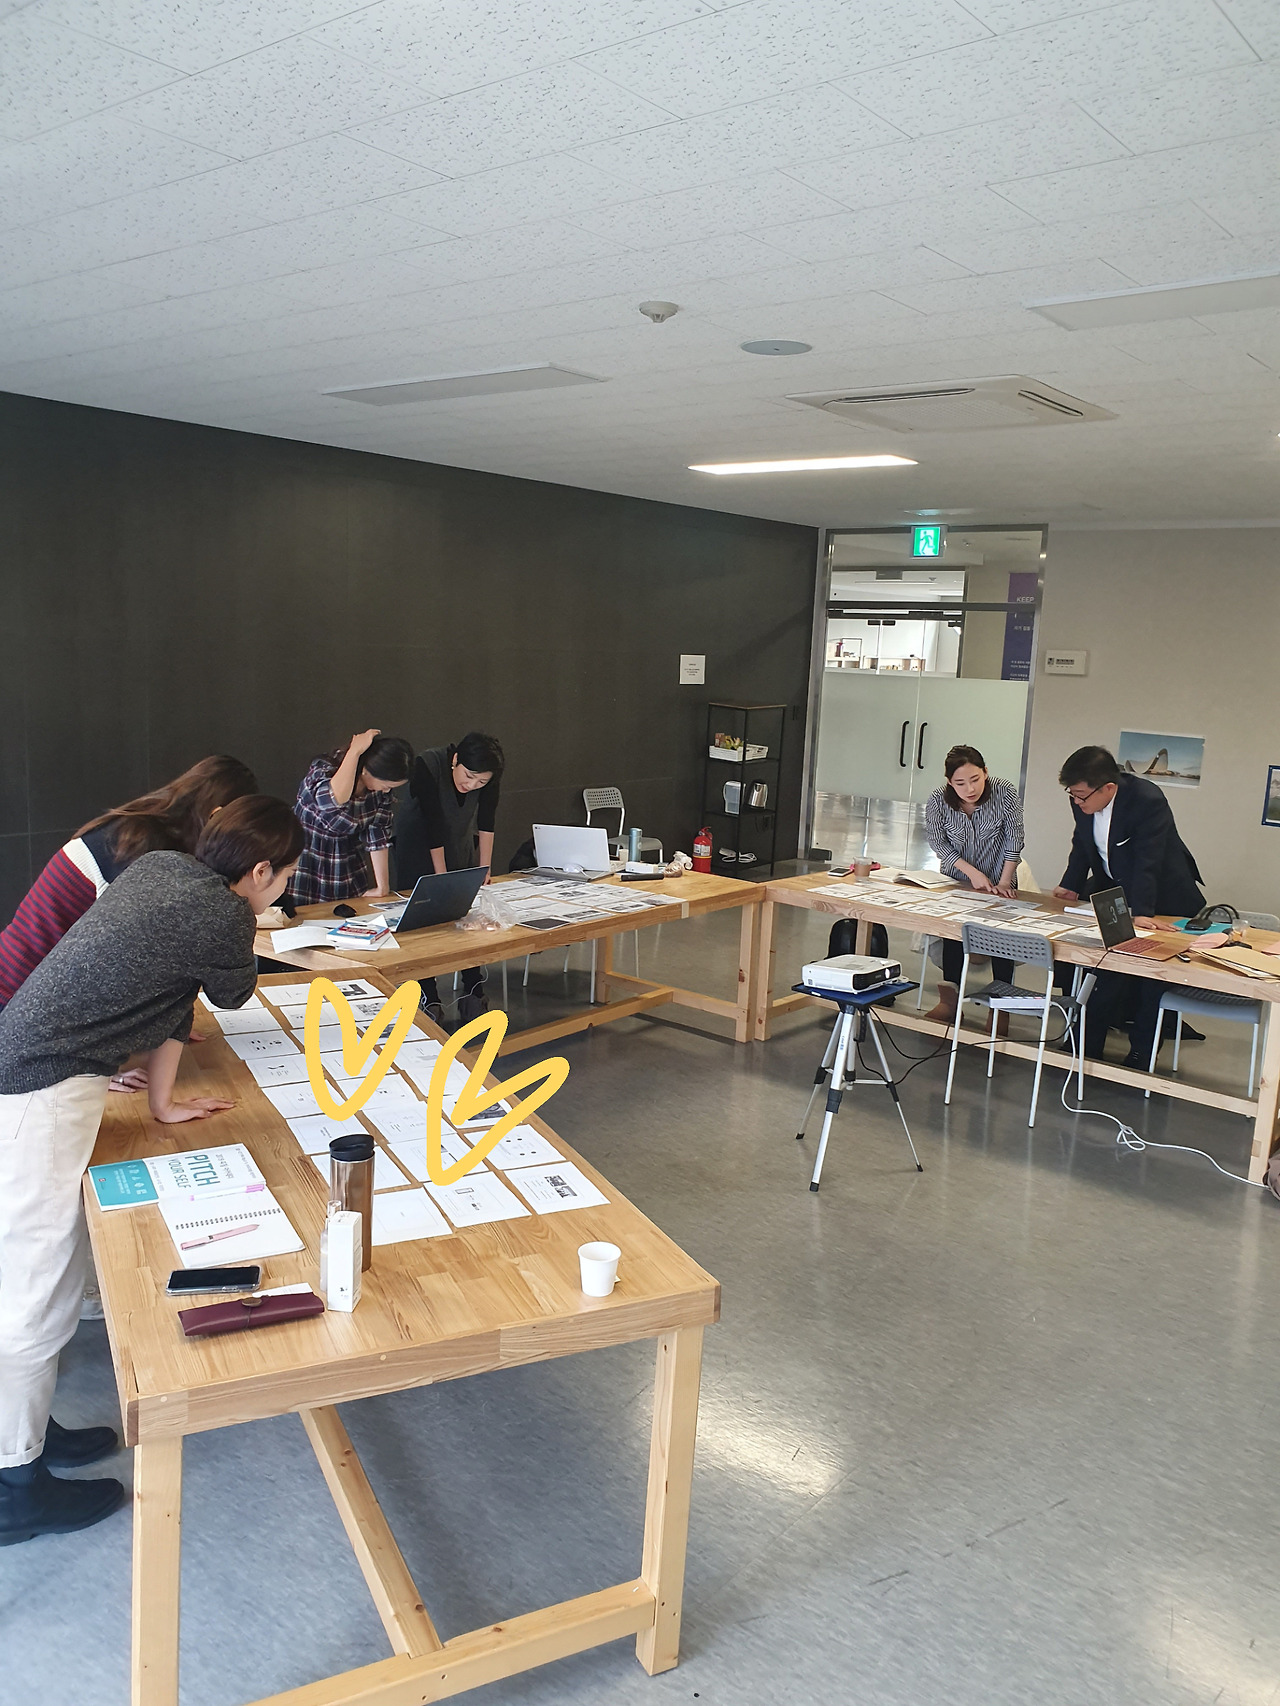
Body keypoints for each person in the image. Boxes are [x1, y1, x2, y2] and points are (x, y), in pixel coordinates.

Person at [0, 794, 303, 1545]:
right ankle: (12, 1486)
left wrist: (163, 1105)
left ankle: (27, 1435)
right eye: (284, 877)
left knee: (49, 1263)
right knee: (35, 1283)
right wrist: (251, 922)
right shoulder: (224, 915)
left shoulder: (164, 867)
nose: (284, 890)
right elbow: (231, 990)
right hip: (41, 1087)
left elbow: (176, 1001)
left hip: (39, 1068)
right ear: (260, 870)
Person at [0, 754, 257, 1010]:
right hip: (16, 997)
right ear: (216, 816)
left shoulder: (135, 826)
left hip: (23, 985)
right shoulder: (143, 848)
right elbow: (135, 966)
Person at [1053, 745, 1205, 1065]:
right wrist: (1071, 884)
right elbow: (1083, 842)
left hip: (1165, 898)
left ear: (1108, 787)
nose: (1077, 802)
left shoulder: (1147, 800)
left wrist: (1142, 912)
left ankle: (1142, 1054)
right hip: (1119, 892)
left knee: (1151, 979)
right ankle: (1084, 1045)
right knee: (1103, 968)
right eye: (1072, 794)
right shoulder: (1082, 796)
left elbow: (1148, 861)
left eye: (1081, 796)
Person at [395, 732, 504, 1027]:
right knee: (421, 925)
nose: (472, 785)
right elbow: (433, 823)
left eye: (481, 782)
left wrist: (484, 868)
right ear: (455, 760)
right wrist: (441, 877)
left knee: (465, 920)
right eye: (468, 776)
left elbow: (487, 820)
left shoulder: (490, 773)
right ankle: (428, 998)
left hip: (458, 846)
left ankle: (474, 991)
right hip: (417, 847)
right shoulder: (428, 764)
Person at [922, 744, 1025, 1026]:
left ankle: (1000, 1009)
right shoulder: (938, 801)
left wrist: (1004, 881)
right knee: (953, 935)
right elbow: (938, 842)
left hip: (1000, 880)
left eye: (975, 779)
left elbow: (1015, 838)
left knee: (1002, 939)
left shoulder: (1004, 792)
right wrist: (971, 874)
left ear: (985, 772)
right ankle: (950, 1003)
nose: (969, 789)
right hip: (956, 881)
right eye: (960, 783)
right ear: (949, 782)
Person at [290, 730, 414, 906]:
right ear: (366, 771)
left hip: (346, 863)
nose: (387, 790)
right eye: (385, 785)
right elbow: (331, 803)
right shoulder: (324, 769)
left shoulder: (378, 794)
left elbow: (378, 835)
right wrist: (355, 751)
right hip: (307, 858)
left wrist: (382, 887)